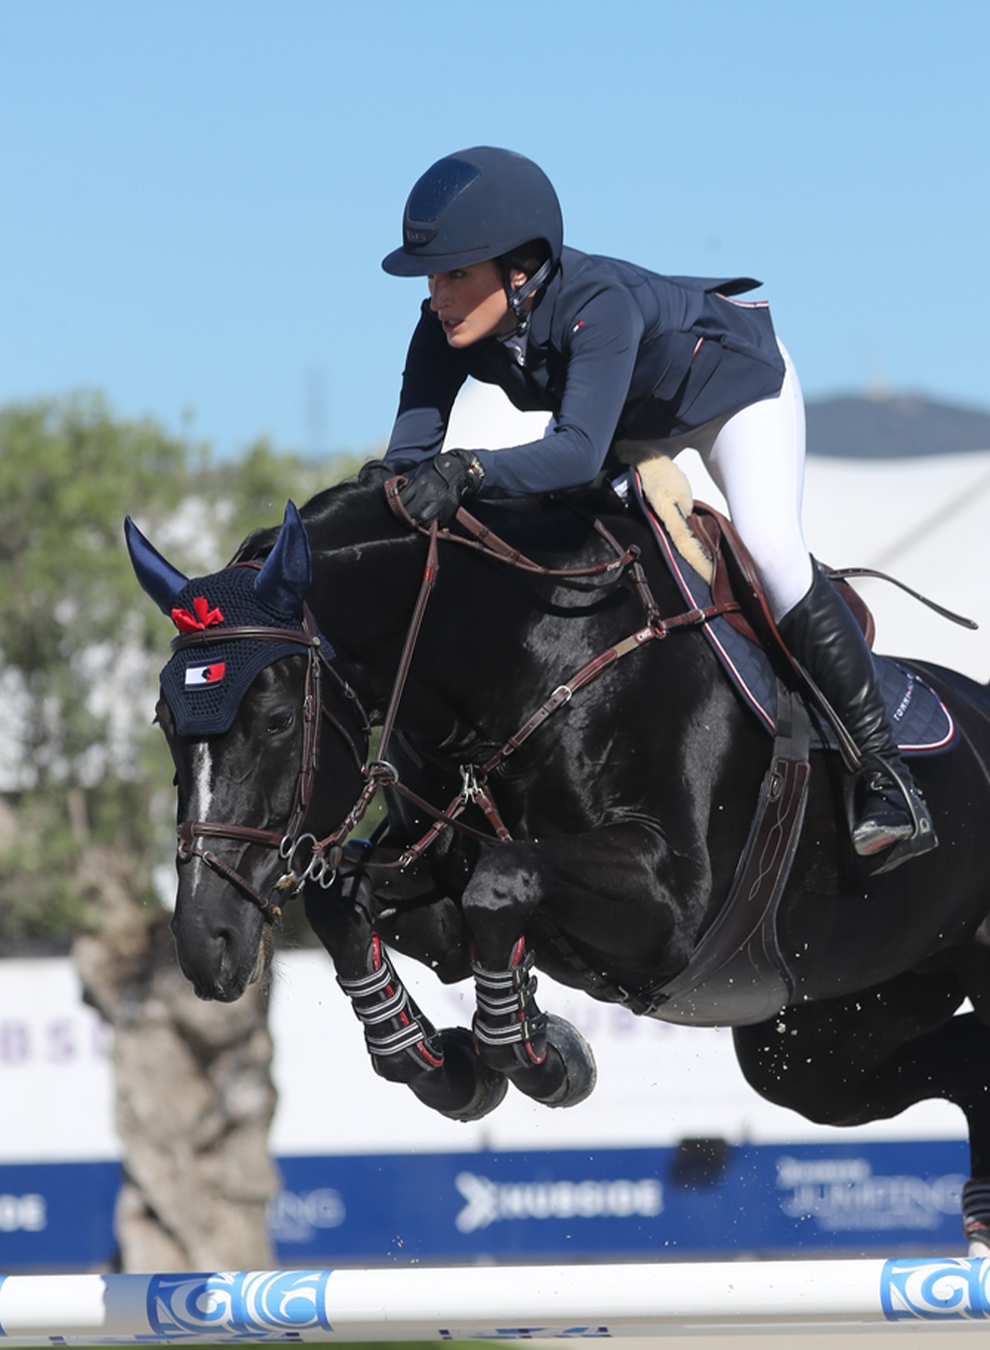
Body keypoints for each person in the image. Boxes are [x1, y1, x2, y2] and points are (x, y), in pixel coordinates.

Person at [371, 146, 933, 872]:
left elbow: (573, 452)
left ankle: (885, 775)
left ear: (521, 268)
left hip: (732, 395)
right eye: (432, 277)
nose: (438, 295)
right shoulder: (445, 331)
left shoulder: (595, 304)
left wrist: (471, 469)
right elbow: (407, 462)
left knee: (769, 546)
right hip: (623, 418)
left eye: (455, 274)